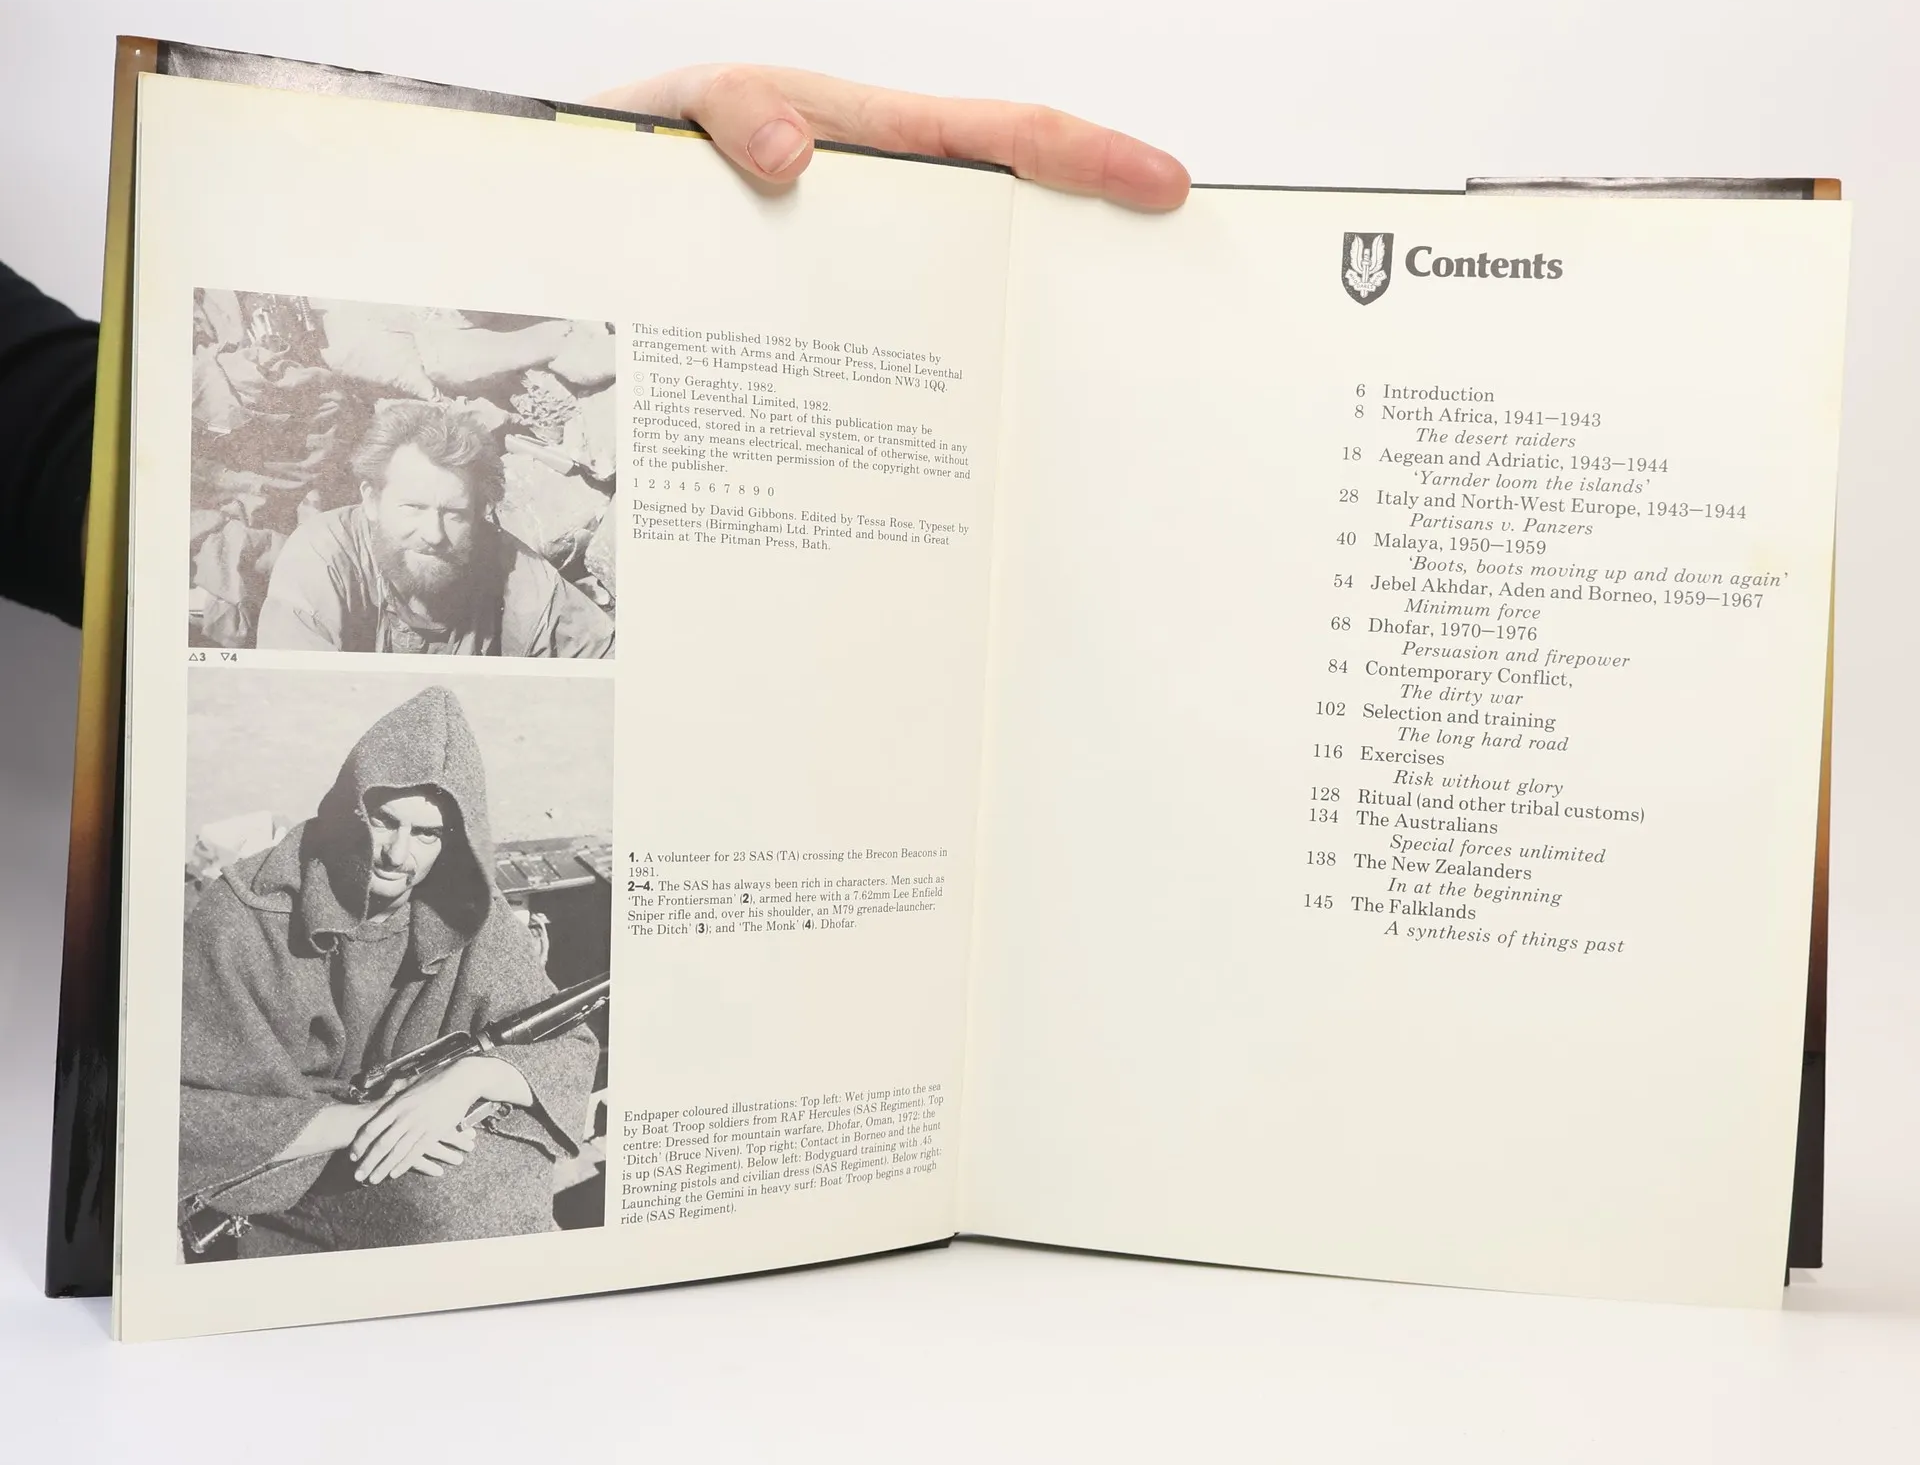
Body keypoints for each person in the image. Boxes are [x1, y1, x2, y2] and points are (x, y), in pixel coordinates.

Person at [0, 65, 1188, 626]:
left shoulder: (504, 532)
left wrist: (585, 202)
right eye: (422, 512)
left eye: (453, 512)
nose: (439, 531)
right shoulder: (341, 537)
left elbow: (52, 454)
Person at [177, 684, 598, 1255]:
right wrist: (369, 1120)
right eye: (384, 822)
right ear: (348, 812)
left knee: (503, 1182)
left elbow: (568, 1047)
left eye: (427, 834)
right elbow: (182, 1110)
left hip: (424, 1124)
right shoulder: (241, 914)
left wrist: (466, 1080)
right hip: (291, 1155)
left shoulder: (470, 907)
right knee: (447, 1215)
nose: (399, 856)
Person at [256, 399, 616, 657]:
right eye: (413, 507)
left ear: (480, 514)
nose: (433, 534)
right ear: (372, 501)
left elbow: (604, 657)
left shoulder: (514, 570)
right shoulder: (322, 557)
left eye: (454, 513)